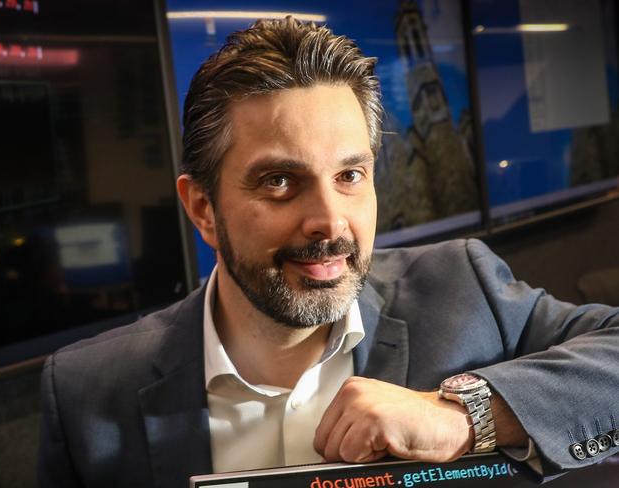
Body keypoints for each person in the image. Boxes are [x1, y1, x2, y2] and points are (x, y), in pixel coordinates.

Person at [38, 17, 619, 488]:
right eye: (278, 182)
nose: (329, 221)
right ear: (203, 210)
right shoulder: (87, 392)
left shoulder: (464, 291)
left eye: (349, 174)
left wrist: (470, 416)